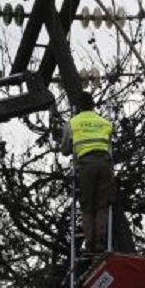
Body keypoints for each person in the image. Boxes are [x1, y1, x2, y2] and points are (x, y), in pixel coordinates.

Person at [60, 91, 114, 253]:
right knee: (102, 204)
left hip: (86, 164)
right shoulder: (106, 123)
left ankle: (90, 243)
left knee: (87, 205)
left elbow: (65, 150)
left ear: (77, 107)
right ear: (93, 105)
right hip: (105, 164)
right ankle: (100, 241)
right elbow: (110, 147)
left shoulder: (73, 123)